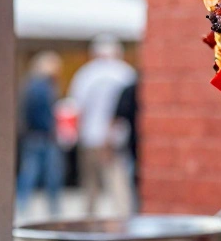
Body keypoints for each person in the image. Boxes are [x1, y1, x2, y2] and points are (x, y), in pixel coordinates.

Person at [68, 34, 135, 217]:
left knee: (91, 187)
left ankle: (90, 225)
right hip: (117, 139)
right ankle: (123, 224)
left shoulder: (86, 74)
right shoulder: (125, 73)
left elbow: (76, 107)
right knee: (117, 186)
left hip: (90, 137)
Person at [17, 51, 64, 216]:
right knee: (50, 175)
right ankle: (53, 209)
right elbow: (43, 114)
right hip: (43, 136)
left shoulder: (30, 84)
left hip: (32, 135)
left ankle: (22, 206)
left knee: (29, 173)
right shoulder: (43, 87)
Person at [113, 77, 139, 213]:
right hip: (134, 146)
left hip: (134, 146)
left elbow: (118, 118)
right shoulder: (132, 88)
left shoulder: (131, 88)